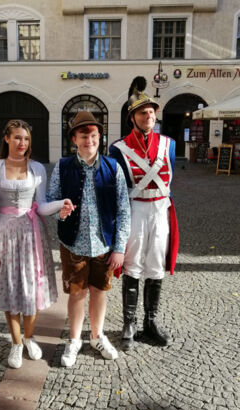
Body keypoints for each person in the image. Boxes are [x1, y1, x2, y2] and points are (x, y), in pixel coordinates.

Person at [0, 119, 72, 369]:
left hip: (32, 234)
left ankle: (30, 337)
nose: (22, 143)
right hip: (4, 233)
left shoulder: (37, 168)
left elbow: (42, 205)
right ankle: (15, 343)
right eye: (17, 138)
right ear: (7, 138)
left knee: (32, 289)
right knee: (11, 287)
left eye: (26, 139)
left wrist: (61, 203)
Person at [47, 111, 130, 367]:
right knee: (76, 293)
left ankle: (96, 336)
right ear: (74, 139)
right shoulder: (62, 167)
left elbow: (124, 209)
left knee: (99, 292)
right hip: (73, 242)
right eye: (83, 136)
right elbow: (51, 200)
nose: (89, 140)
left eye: (93, 135)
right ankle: (74, 340)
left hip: (104, 244)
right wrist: (59, 211)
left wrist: (119, 247)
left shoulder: (113, 167)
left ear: (99, 136)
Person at [109, 76, 179, 350]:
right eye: (142, 112)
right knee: (133, 262)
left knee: (156, 263)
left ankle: (150, 322)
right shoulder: (118, 149)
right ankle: (129, 322)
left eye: (151, 112)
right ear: (133, 117)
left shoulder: (169, 145)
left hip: (161, 208)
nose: (148, 116)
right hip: (135, 207)